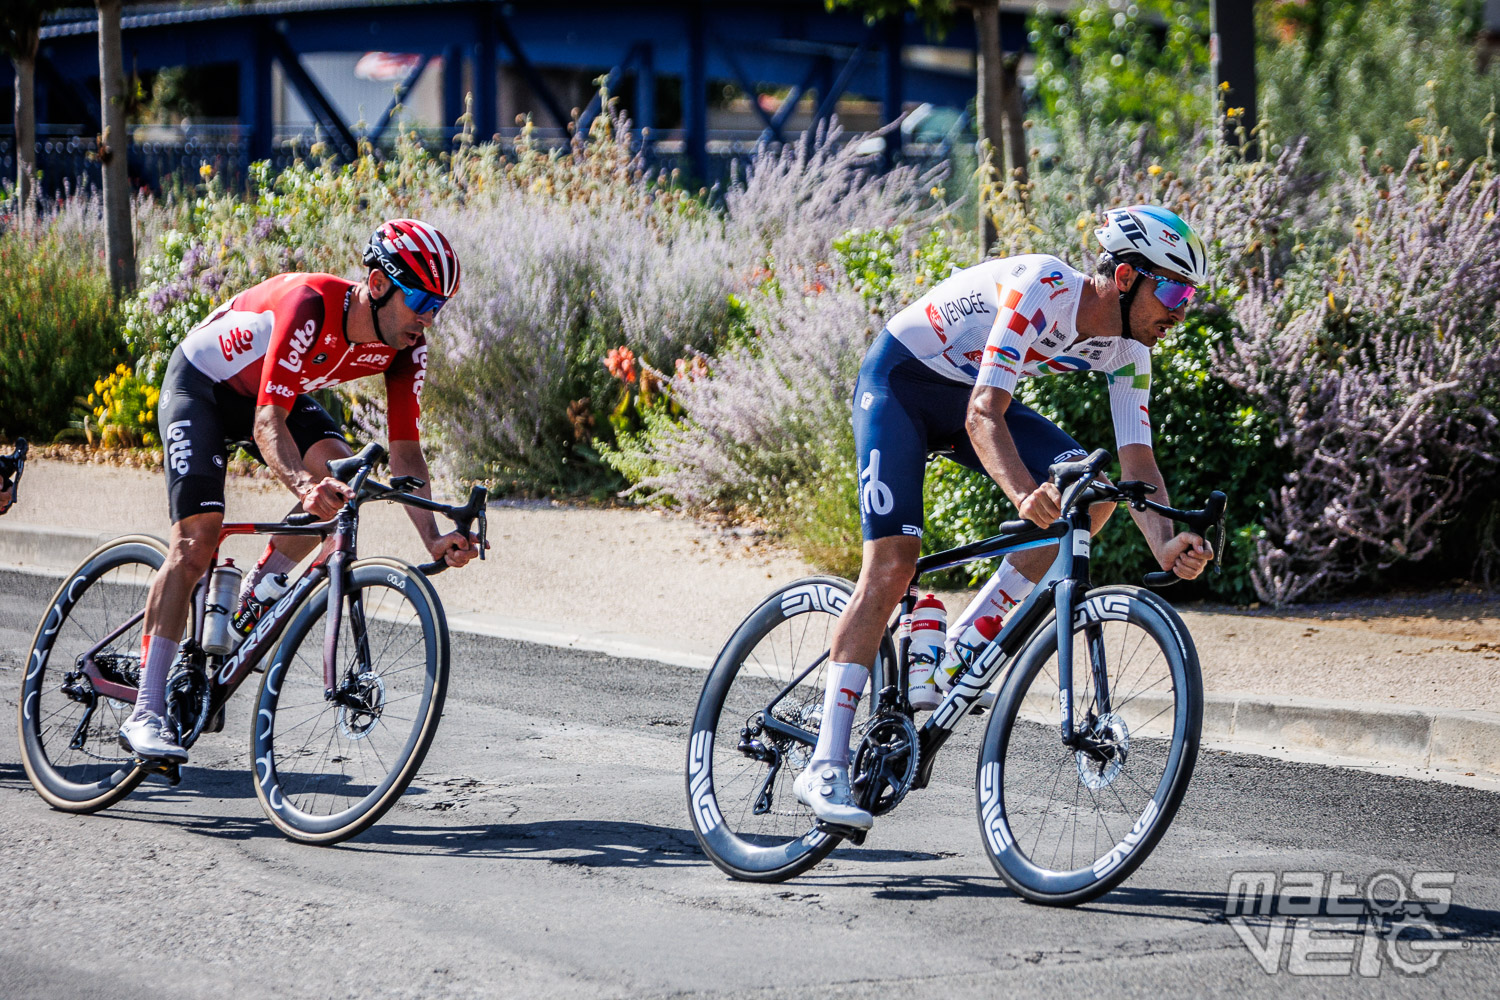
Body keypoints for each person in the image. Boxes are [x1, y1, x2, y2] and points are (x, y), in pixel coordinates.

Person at [794, 205, 1216, 831]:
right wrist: (1023, 494)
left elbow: (1137, 462)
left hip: (968, 396)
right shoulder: (1042, 287)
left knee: (1095, 493)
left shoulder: (1129, 350)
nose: (1180, 312)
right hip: (902, 384)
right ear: (1126, 278)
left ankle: (959, 647)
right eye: (1174, 292)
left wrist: (1165, 541)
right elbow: (983, 415)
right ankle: (825, 762)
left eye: (1189, 297)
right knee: (891, 566)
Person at [119, 218, 478, 764]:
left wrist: (431, 537)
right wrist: (306, 487)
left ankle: (259, 589)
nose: (429, 317)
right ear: (378, 284)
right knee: (195, 542)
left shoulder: (407, 345)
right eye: (422, 300)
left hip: (268, 392)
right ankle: (146, 712)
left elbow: (406, 453)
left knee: (347, 480)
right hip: (202, 386)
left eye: (440, 305)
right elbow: (268, 424)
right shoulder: (309, 306)